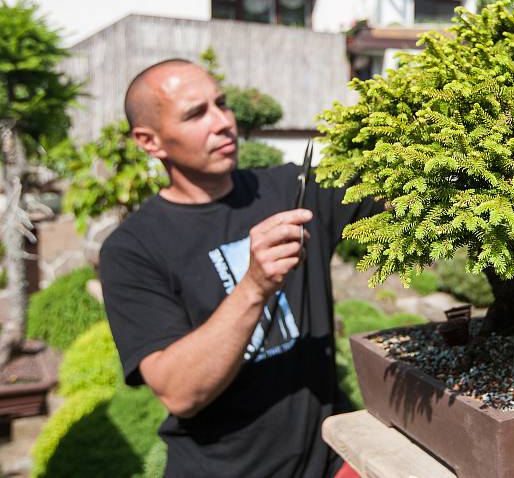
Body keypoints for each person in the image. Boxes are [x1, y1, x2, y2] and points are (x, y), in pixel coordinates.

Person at [99, 59, 378, 477]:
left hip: (329, 457)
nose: (223, 122)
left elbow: (395, 191)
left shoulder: (291, 188)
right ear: (149, 141)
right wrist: (254, 286)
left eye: (222, 104)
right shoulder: (133, 249)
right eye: (196, 113)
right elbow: (179, 393)